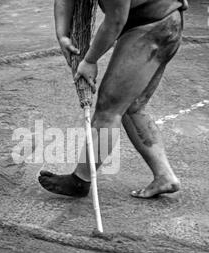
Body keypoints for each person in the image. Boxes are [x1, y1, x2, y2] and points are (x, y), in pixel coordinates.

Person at [39, 0, 188, 199]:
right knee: (132, 106)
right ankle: (165, 177)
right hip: (162, 23)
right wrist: (63, 35)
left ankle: (80, 180)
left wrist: (90, 61)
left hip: (154, 26)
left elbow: (116, 20)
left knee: (109, 108)